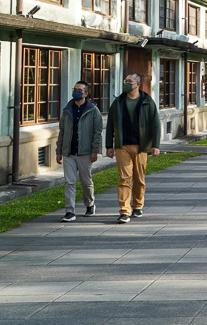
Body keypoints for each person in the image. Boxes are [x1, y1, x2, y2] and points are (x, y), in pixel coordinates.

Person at [106, 72, 161, 224]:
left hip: (141, 145)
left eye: (130, 81)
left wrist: (155, 145)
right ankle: (124, 211)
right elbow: (110, 124)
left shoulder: (147, 101)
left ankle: (137, 205)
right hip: (122, 145)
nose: (126, 83)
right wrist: (109, 146)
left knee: (139, 178)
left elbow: (155, 124)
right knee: (124, 178)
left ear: (137, 84)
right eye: (125, 81)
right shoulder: (118, 102)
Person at [55, 80, 103, 222]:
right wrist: (59, 151)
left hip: (85, 152)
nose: (76, 92)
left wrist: (95, 151)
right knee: (69, 182)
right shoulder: (67, 110)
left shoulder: (93, 110)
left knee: (85, 181)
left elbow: (97, 132)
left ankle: (90, 204)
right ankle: (70, 211)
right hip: (69, 152)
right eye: (74, 89)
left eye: (79, 90)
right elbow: (62, 132)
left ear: (86, 94)